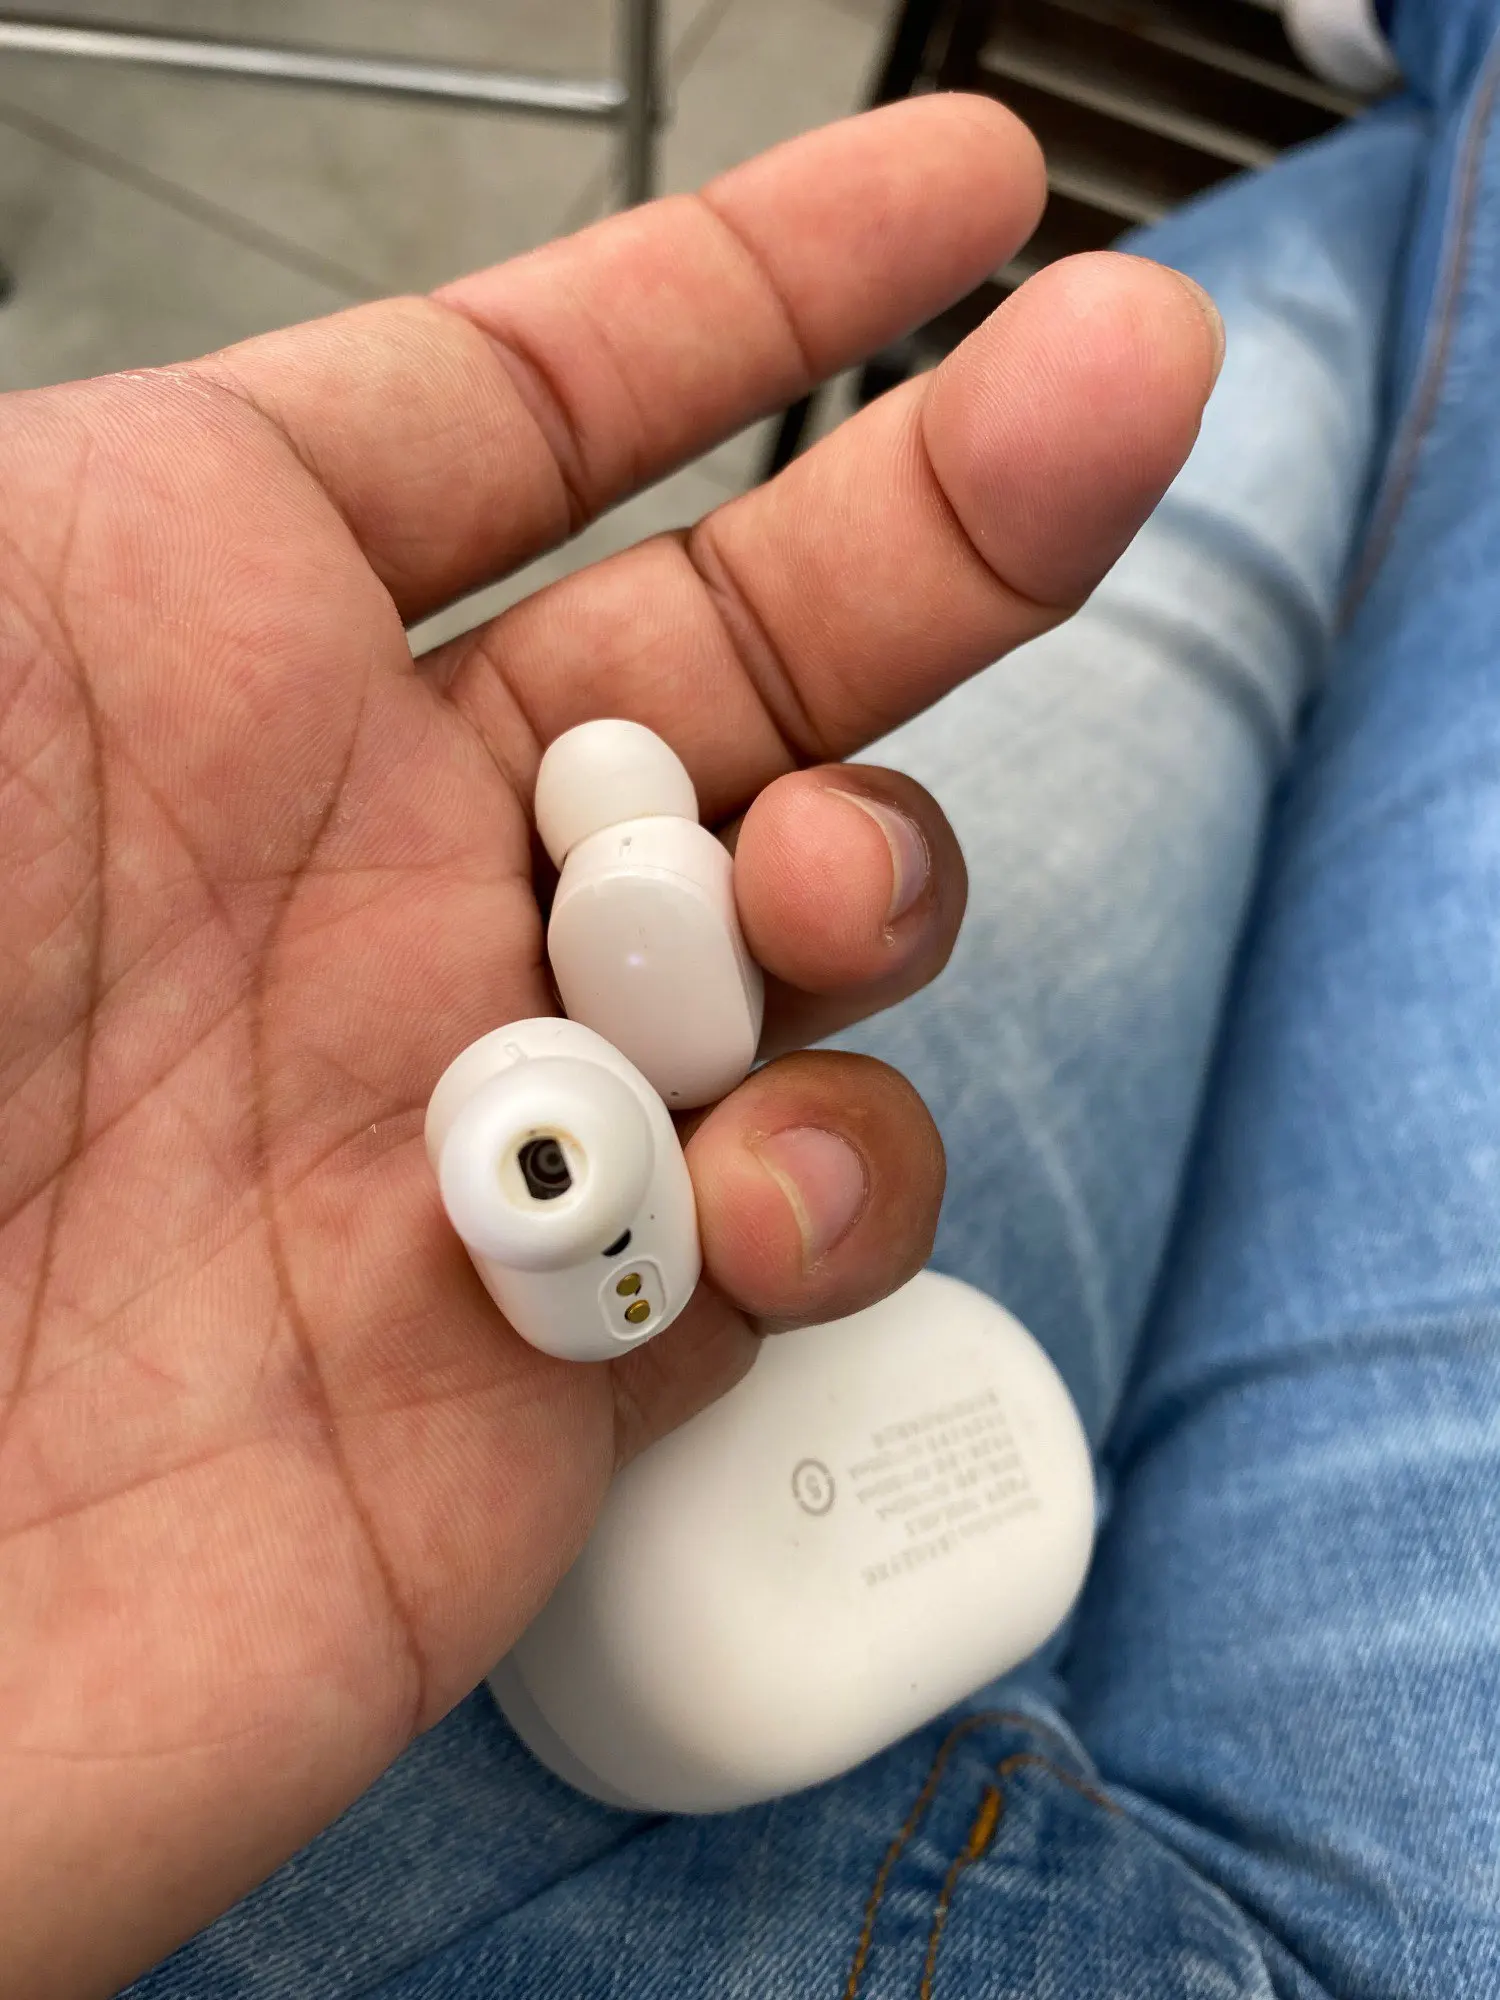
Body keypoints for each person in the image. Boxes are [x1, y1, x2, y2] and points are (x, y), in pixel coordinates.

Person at [2, 0, 1497, 1990]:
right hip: (564, 1686)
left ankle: (1449, 76)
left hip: (496, 1698)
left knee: (1238, 483)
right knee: (1312, 531)